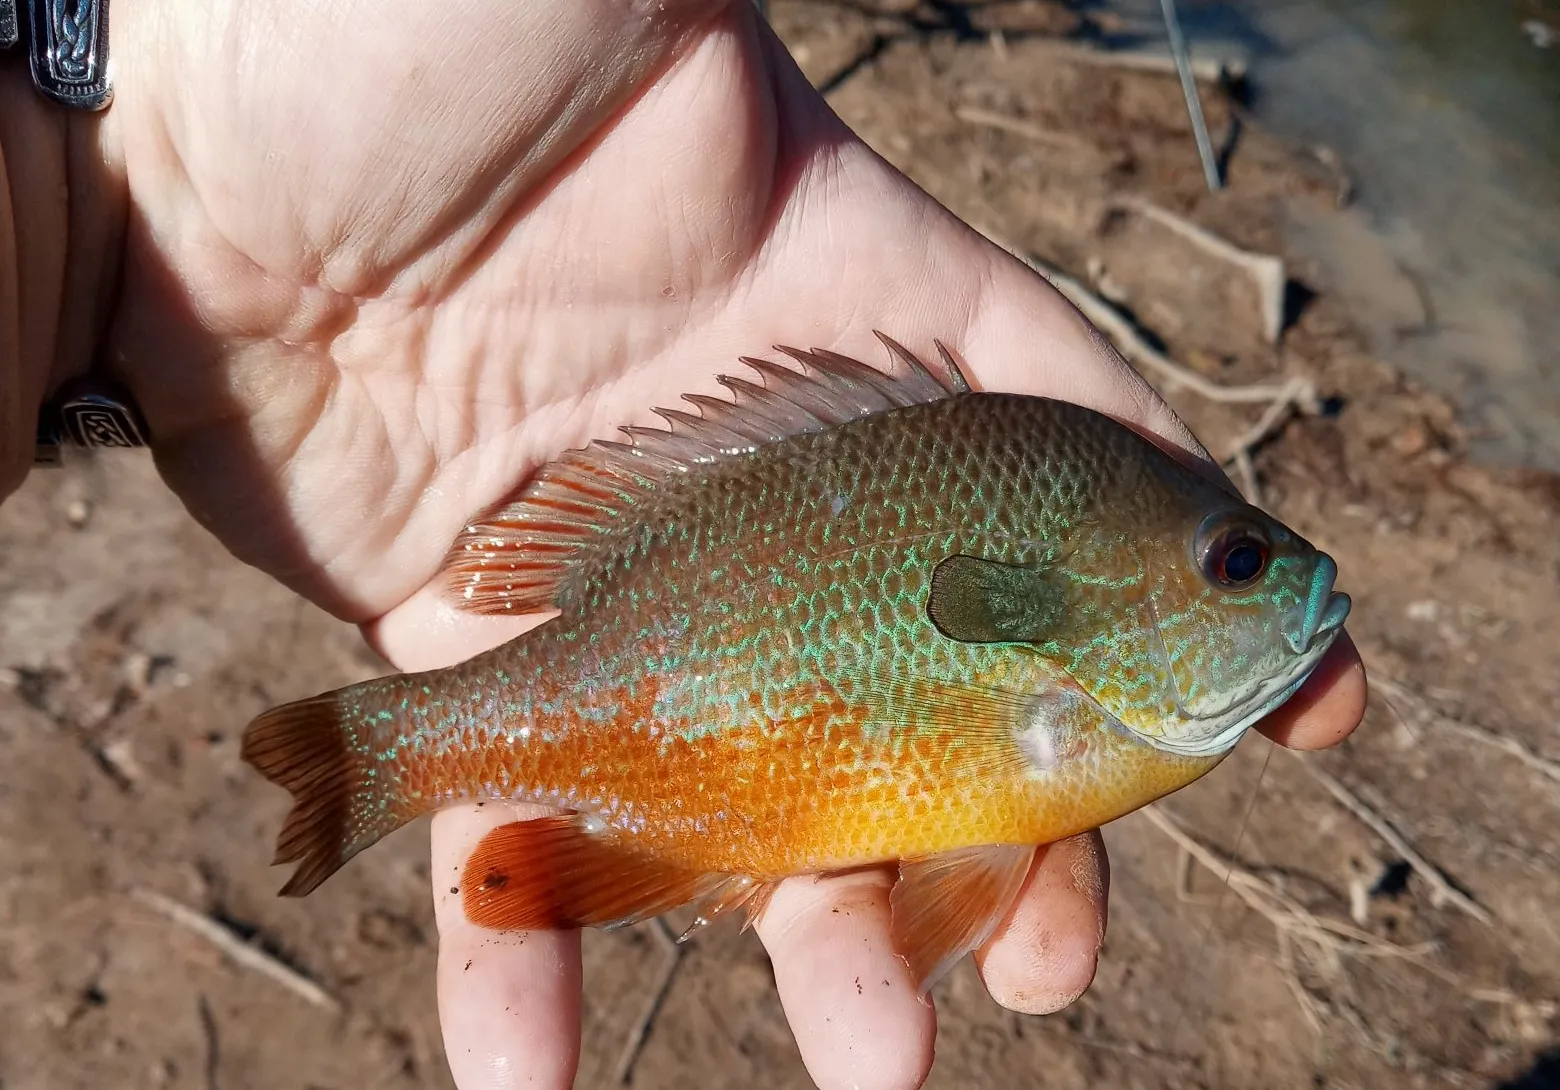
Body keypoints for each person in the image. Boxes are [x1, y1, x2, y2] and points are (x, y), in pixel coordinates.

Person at [0, 3, 1367, 1088]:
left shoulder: (1080, 617)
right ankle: (390, 747)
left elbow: (968, 850)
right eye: (1233, 563)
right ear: (1091, 593)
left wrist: (92, 185)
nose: (1282, 580)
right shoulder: (1076, 590)